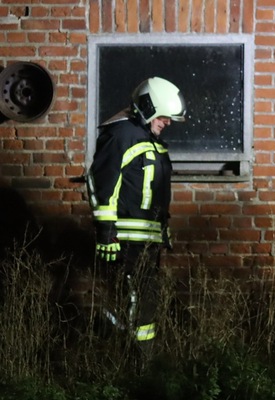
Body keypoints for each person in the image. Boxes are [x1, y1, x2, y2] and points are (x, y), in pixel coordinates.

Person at [86, 76, 186, 353]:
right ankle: (133, 362)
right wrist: (106, 232)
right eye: (164, 117)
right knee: (138, 300)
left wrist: (162, 230)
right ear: (148, 106)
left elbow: (154, 193)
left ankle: (138, 362)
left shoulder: (148, 140)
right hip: (126, 240)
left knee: (146, 300)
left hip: (146, 241)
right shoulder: (121, 136)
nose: (167, 123)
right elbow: (101, 183)